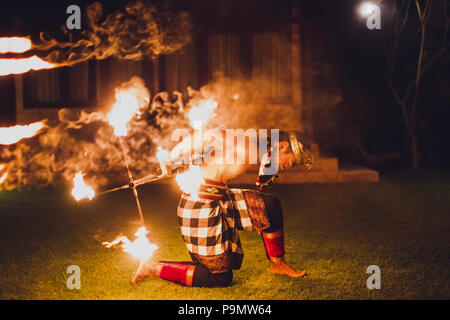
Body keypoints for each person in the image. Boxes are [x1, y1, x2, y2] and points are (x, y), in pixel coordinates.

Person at [131, 129, 314, 287]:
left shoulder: (257, 147)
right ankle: (153, 268)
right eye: (289, 162)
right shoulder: (247, 145)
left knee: (270, 205)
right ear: (281, 146)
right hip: (198, 208)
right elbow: (207, 134)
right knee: (220, 278)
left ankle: (277, 264)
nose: (284, 166)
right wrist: (172, 158)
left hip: (221, 200)